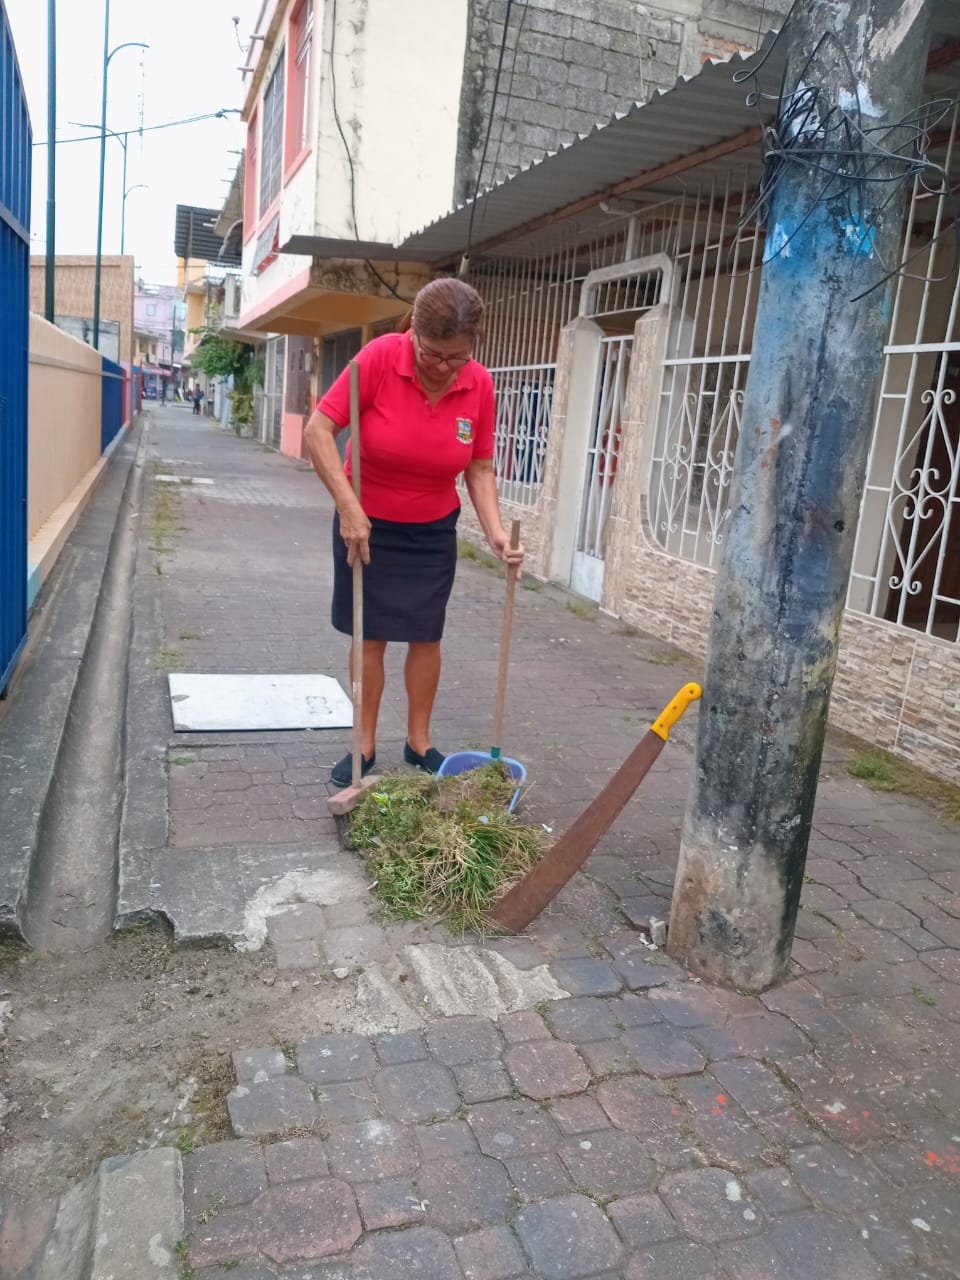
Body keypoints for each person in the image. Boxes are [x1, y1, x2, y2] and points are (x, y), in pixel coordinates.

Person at [303, 277, 524, 787]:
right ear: (414, 334)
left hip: (431, 530)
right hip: (365, 526)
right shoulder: (379, 359)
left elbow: (480, 467)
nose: (445, 367)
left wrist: (495, 531)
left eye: (457, 357)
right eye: (433, 354)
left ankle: (419, 741)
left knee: (426, 635)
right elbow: (318, 431)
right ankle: (363, 743)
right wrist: (348, 507)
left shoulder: (479, 383)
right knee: (370, 634)